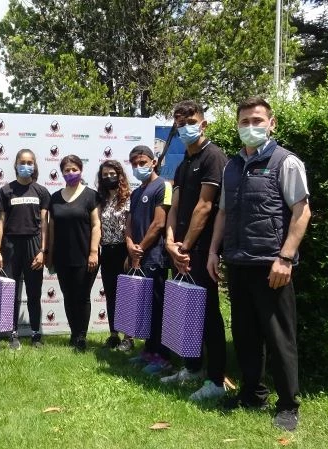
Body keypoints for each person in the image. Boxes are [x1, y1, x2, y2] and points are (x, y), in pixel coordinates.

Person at [207, 96, 311, 432]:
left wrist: (285, 258)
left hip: (272, 266)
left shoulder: (286, 162)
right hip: (238, 262)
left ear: (271, 124)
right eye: (244, 122)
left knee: (279, 338)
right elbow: (223, 212)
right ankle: (253, 394)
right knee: (245, 335)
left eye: (257, 120)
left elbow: (302, 212)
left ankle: (288, 405)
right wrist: (213, 251)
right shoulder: (232, 166)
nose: (250, 127)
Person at [160, 101, 229, 401]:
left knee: (209, 314)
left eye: (190, 121)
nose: (185, 126)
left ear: (203, 124)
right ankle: (192, 367)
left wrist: (185, 246)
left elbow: (205, 206)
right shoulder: (182, 164)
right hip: (181, 248)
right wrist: (170, 241)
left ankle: (216, 381)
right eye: (180, 123)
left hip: (200, 249)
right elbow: (174, 207)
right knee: (187, 310)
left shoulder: (214, 156)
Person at [0, 149, 50, 349]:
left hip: (33, 245)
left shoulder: (41, 191)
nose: (26, 165)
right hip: (10, 245)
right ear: (16, 164)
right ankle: (12, 334)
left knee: (34, 293)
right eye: (22, 162)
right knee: (11, 292)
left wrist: (43, 251)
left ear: (34, 165)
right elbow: (0, 222)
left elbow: (44, 224)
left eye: (29, 162)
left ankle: (36, 334)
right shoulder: (6, 191)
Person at [123, 145, 172, 367]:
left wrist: (140, 248)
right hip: (138, 256)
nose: (138, 167)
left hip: (154, 256)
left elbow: (159, 223)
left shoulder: (163, 186)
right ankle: (148, 351)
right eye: (134, 164)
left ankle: (162, 357)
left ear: (154, 162)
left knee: (158, 307)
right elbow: (129, 223)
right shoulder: (136, 192)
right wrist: (130, 245)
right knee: (144, 307)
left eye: (142, 163)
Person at [46, 155, 101, 352]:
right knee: (68, 296)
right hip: (62, 257)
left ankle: (81, 337)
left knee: (82, 296)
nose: (71, 173)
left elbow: (96, 225)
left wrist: (93, 252)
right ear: (62, 173)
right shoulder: (54, 198)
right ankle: (74, 333)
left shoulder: (91, 195)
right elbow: (51, 228)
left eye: (74, 169)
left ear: (81, 170)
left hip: (85, 256)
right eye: (67, 170)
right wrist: (49, 254)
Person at [96, 160, 131, 349]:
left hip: (124, 251)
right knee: (111, 294)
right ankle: (113, 334)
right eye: (105, 175)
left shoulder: (128, 197)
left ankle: (128, 338)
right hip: (107, 252)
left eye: (112, 174)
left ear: (119, 175)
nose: (109, 177)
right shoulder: (101, 199)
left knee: (126, 295)